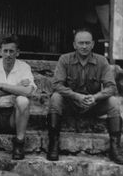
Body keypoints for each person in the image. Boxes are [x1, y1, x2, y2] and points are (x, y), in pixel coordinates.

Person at [47, 28, 123, 165]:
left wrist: (95, 97)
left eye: (87, 43)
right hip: (71, 104)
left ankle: (115, 148)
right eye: (80, 43)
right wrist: (76, 96)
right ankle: (53, 144)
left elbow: (111, 87)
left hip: (93, 105)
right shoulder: (65, 59)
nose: (84, 46)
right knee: (55, 98)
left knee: (113, 102)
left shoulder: (101, 61)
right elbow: (57, 85)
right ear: (74, 45)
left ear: (93, 44)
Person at [0, 34, 37, 160]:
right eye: (5, 51)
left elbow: (28, 92)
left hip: (14, 117)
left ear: (18, 53)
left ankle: (19, 143)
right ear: (0, 52)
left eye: (12, 51)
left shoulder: (24, 67)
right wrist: (15, 88)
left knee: (23, 100)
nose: (8, 54)